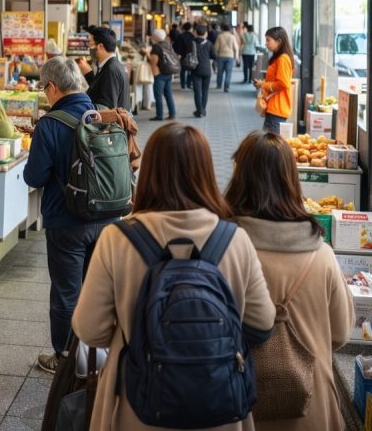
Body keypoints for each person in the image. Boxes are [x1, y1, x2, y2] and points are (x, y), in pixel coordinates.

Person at [72, 123, 275, 431]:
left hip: (136, 406)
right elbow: (261, 325)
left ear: (150, 170)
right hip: (219, 406)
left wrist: (140, 333)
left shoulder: (118, 238)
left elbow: (89, 328)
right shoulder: (234, 239)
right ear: (206, 172)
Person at [225, 131, 353, 431]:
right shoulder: (322, 255)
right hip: (311, 407)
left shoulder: (225, 250)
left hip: (239, 406)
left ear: (239, 177)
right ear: (291, 180)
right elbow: (341, 333)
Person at [24, 56, 123, 374]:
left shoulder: (50, 125)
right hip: (109, 217)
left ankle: (66, 358)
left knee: (67, 291)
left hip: (66, 222)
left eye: (44, 89)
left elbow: (35, 177)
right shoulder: (104, 115)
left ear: (52, 87)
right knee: (99, 288)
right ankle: (101, 354)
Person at [76, 25, 131, 111]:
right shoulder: (110, 65)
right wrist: (89, 74)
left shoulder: (110, 70)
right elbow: (102, 90)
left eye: (90, 45)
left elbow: (107, 106)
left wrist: (80, 107)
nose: (89, 49)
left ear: (100, 46)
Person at [255, 26, 294, 133]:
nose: (266, 43)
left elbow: (283, 83)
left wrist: (263, 85)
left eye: (268, 40)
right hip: (274, 107)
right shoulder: (279, 58)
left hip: (277, 108)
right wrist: (262, 84)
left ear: (279, 41)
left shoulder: (283, 59)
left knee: (271, 147)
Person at [148, 29, 176, 121]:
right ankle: (172, 114)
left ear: (156, 37)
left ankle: (159, 115)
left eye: (153, 35)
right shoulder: (168, 45)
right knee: (168, 94)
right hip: (169, 72)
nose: (152, 37)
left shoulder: (156, 47)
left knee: (158, 95)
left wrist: (154, 71)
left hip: (160, 74)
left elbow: (153, 61)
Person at [191, 24, 215, 117]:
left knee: (197, 91)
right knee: (205, 91)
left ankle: (199, 111)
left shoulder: (192, 42)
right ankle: (203, 110)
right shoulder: (209, 43)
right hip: (206, 70)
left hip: (195, 69)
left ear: (196, 33)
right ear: (206, 33)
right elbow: (214, 55)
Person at [215, 23, 240, 92]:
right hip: (230, 57)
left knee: (220, 72)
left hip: (221, 56)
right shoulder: (232, 37)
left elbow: (216, 47)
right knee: (228, 72)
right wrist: (237, 58)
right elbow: (236, 48)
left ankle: (219, 85)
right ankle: (226, 87)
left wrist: (215, 55)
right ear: (230, 29)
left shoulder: (219, 36)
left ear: (222, 29)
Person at [176, 22, 194, 90]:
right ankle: (189, 84)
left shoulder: (181, 36)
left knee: (183, 70)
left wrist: (178, 53)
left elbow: (178, 46)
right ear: (190, 28)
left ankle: (183, 84)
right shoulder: (192, 36)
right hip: (190, 55)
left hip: (183, 55)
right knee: (190, 70)